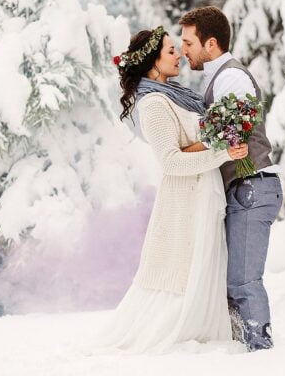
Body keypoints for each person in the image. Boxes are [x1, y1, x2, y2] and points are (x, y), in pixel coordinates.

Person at [96, 26, 248, 354]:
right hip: (185, 203)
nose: (178, 53)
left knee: (207, 267)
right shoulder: (153, 104)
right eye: (169, 51)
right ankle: (186, 337)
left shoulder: (176, 97)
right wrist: (224, 151)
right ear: (152, 63)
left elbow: (196, 144)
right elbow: (171, 162)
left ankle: (211, 334)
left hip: (206, 193)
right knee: (185, 273)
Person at [179, 6, 284, 352]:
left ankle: (260, 354)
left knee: (243, 281)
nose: (183, 49)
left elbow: (229, 129)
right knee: (232, 282)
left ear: (210, 44)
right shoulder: (217, 77)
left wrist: (183, 150)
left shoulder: (231, 77)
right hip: (243, 188)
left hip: (251, 185)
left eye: (188, 42)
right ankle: (247, 351)